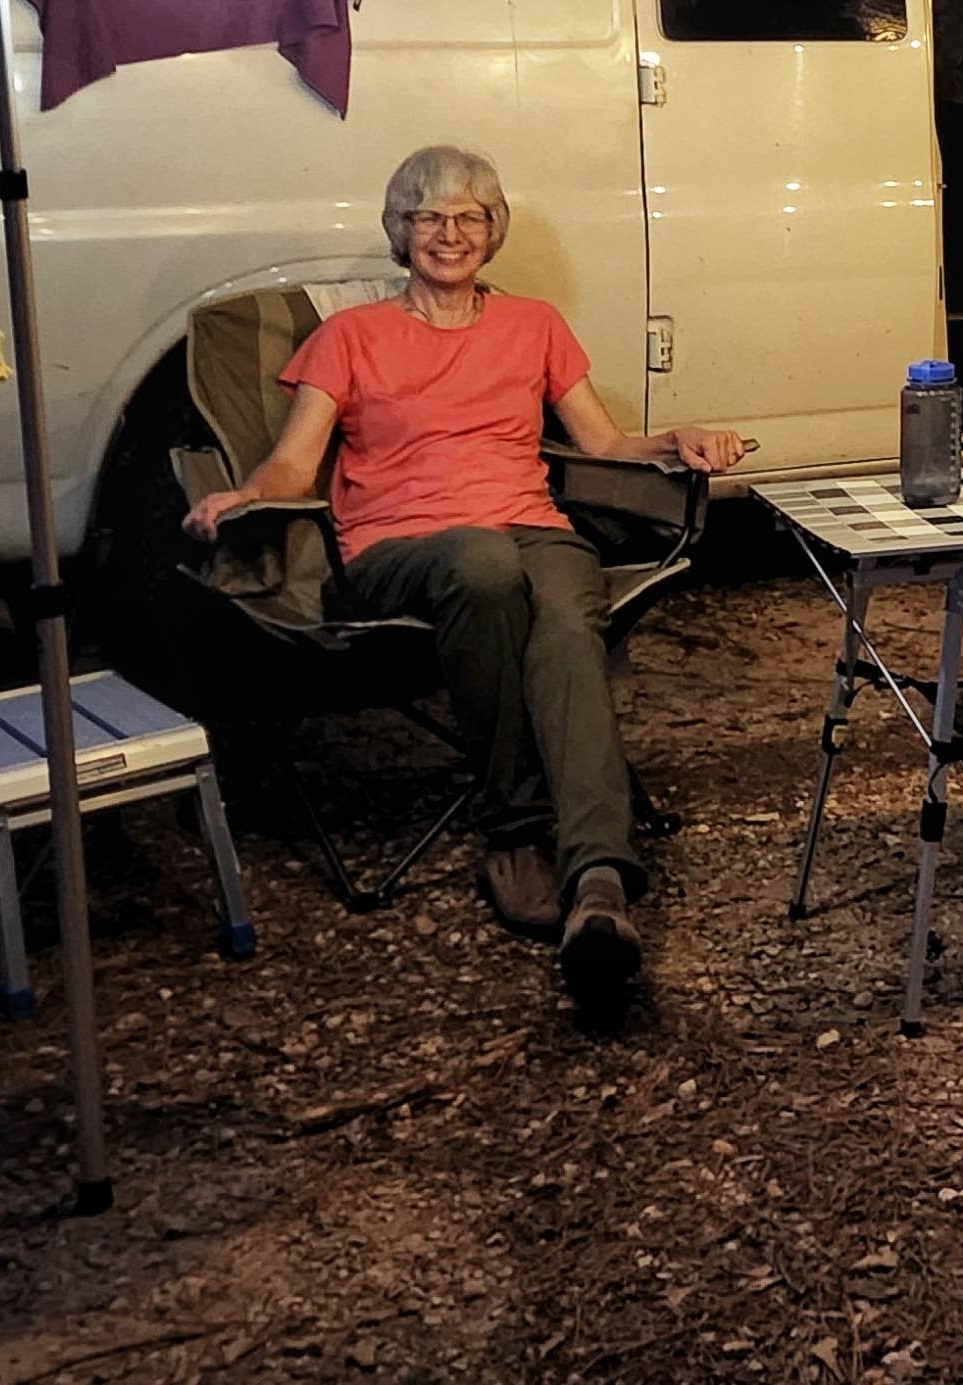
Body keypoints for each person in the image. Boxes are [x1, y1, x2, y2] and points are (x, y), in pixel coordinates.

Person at [186, 143, 743, 1017]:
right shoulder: (351, 337)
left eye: (469, 216)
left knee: (565, 616)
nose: (450, 233)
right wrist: (245, 494)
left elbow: (600, 445)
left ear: (493, 231)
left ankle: (597, 880)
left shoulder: (534, 325)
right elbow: (295, 463)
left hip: (531, 530)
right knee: (482, 564)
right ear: (400, 232)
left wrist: (677, 439)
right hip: (396, 551)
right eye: (429, 217)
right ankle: (516, 827)